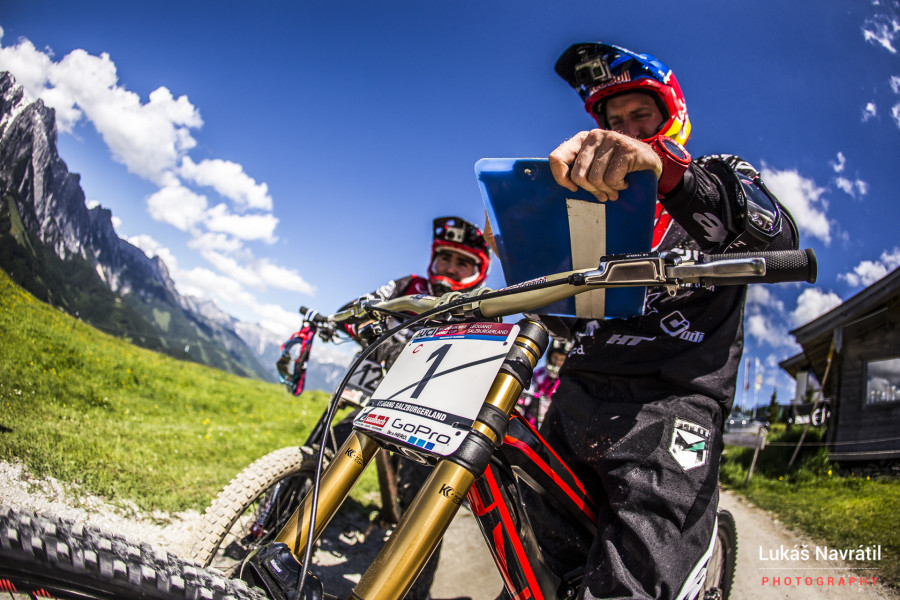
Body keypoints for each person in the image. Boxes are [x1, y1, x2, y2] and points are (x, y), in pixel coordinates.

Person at [526, 42, 800, 600]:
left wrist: (665, 169)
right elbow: (569, 317)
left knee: (630, 586)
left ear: (671, 116)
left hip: (673, 402)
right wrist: (523, 253)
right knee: (539, 558)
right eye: (615, 120)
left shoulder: (715, 174)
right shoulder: (593, 211)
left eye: (640, 116)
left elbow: (779, 237)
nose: (625, 130)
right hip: (579, 393)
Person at [244, 216, 492, 600]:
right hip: (377, 392)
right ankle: (271, 533)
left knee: (420, 503)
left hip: (431, 414)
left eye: (463, 262)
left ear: (480, 268)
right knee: (328, 447)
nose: (450, 268)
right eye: (445, 257)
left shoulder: (485, 307)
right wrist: (352, 324)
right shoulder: (407, 286)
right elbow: (361, 308)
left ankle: (413, 590)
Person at [517, 338, 570, 428]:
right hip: (531, 426)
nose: (557, 362)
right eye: (555, 357)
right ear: (550, 356)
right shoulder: (538, 375)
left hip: (552, 428)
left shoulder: (567, 381)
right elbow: (524, 398)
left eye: (562, 359)